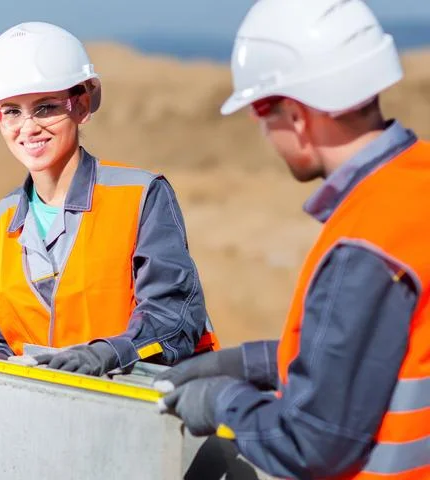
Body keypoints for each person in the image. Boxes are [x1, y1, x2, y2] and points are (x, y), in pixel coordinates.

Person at [154, 0, 430, 478]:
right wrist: (255, 362)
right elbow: (385, 345)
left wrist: (224, 401)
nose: (263, 131)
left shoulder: (365, 244)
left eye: (261, 112)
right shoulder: (416, 182)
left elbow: (313, 442)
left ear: (298, 115)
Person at [0, 21, 219, 380]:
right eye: (13, 111)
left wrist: (108, 354)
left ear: (80, 106)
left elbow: (175, 317)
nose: (29, 127)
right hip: (53, 416)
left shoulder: (141, 195)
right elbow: (10, 350)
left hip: (141, 410)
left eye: (46, 107)